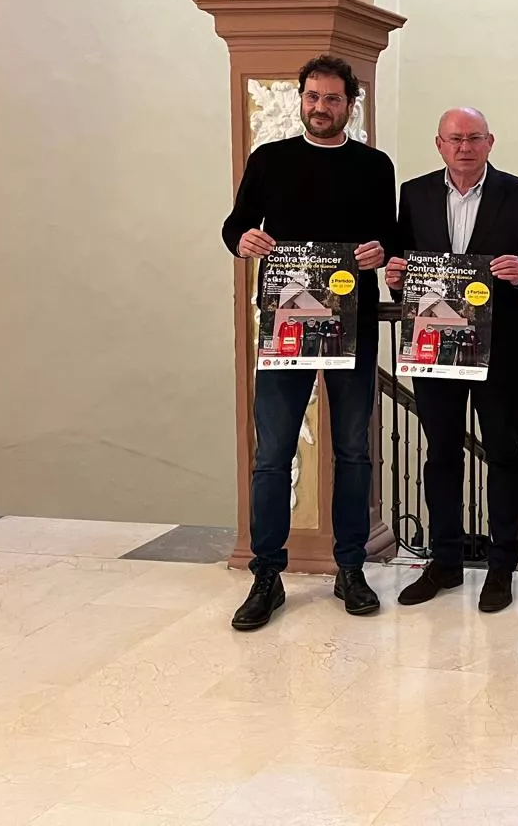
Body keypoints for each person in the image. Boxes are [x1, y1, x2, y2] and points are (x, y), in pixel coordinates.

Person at [221, 54, 396, 631]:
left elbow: (390, 238)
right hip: (287, 324)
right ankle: (266, 575)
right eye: (313, 97)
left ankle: (351, 567)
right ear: (301, 99)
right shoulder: (269, 160)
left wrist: (381, 252)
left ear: (351, 104)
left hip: (352, 324)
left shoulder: (375, 166)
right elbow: (235, 224)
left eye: (332, 98)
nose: (321, 107)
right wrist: (242, 239)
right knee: (272, 454)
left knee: (352, 450)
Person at [385, 107, 518, 614]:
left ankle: (502, 567)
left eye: (474, 138)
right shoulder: (414, 194)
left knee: (502, 454)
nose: (464, 147)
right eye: (455, 139)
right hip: (434, 346)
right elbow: (401, 266)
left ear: (490, 142)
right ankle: (445, 561)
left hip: (498, 350)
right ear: (439, 144)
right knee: (440, 455)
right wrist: (395, 278)